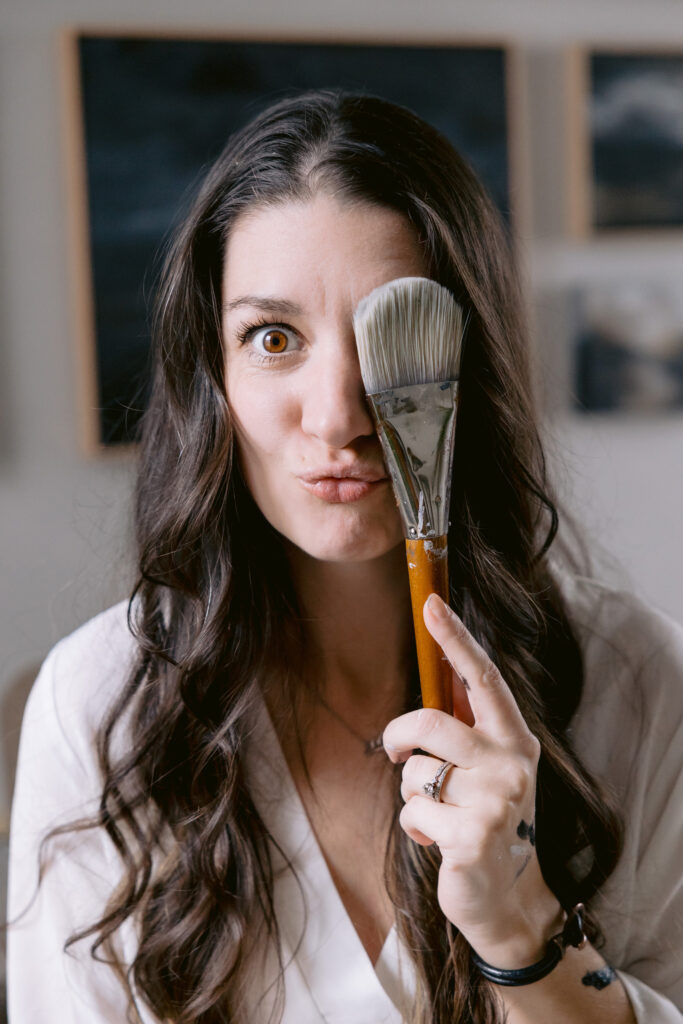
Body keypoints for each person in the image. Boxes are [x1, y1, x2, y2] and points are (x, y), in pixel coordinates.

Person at [7, 91, 683, 1024]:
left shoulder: (640, 682)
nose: (338, 416)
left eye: (381, 336)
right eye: (272, 338)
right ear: (215, 376)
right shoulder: (97, 709)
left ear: (467, 362)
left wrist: (518, 927)